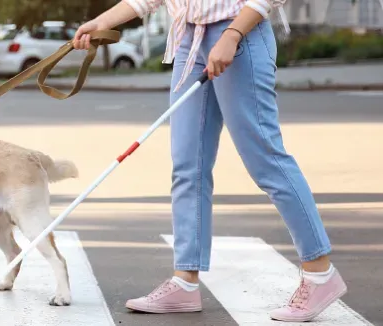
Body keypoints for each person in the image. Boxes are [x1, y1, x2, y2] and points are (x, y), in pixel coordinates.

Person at [72, 0, 347, 322]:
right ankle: (184, 281)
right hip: (189, 40)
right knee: (188, 167)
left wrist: (231, 35)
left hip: (240, 34)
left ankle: (319, 274)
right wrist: (102, 21)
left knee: (267, 161)